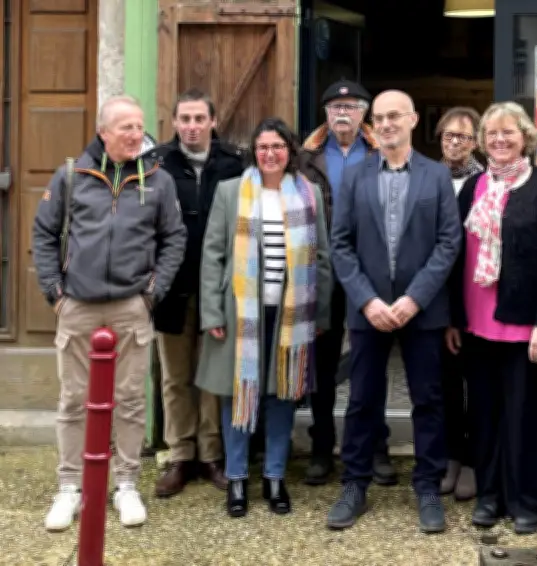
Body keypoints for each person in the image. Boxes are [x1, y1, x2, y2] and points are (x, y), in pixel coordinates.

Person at [33, 95, 187, 530]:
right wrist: (55, 294)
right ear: (104, 132)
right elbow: (44, 233)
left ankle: (126, 485)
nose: (137, 134)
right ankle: (70, 488)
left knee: (131, 401)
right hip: (78, 307)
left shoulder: (157, 179)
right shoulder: (71, 175)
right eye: (127, 128)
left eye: (139, 126)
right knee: (73, 400)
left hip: (131, 307)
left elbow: (174, 238)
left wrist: (151, 293)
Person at [327, 90, 461, 533]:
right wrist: (367, 299)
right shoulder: (355, 176)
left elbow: (448, 242)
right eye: (378, 118)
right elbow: (340, 244)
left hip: (420, 310)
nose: (385, 124)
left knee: (428, 399)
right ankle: (355, 484)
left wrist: (413, 298)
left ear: (412, 120)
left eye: (393, 117)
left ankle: (426, 485)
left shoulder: (436, 176)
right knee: (363, 399)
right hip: (368, 309)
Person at [195, 117, 332, 518]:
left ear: (290, 151)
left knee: (281, 397)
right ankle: (237, 478)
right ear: (253, 151)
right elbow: (213, 254)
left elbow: (321, 258)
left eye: (278, 146)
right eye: (263, 146)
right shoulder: (231, 192)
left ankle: (274, 477)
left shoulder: (308, 194)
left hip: (292, 313)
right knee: (238, 393)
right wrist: (211, 312)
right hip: (240, 312)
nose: (270, 153)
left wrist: (320, 311)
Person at [448, 102, 537, 534]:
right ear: (482, 141)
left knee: (524, 417)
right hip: (476, 322)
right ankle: (490, 496)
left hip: (524, 325)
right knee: (484, 415)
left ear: (526, 138)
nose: (499, 141)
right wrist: (453, 319)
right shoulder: (475, 187)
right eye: (491, 134)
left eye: (509, 133)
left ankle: (528, 502)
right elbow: (458, 254)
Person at [300, 80, 398, 487]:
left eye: (352, 106)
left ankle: (376, 446)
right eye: (336, 106)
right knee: (322, 364)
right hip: (320, 267)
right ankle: (322, 447)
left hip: (367, 269)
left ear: (365, 114)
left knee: (369, 361)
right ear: (325, 114)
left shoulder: (382, 154)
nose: (343, 113)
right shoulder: (306, 159)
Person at [150, 88, 246, 498]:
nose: (191, 127)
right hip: (171, 288)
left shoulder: (233, 165)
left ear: (212, 122)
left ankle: (211, 454)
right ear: (174, 124)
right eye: (184, 119)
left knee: (212, 376)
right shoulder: (156, 166)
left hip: (220, 289)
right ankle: (179, 454)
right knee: (175, 377)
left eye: (198, 119)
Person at [435, 106, 483, 500]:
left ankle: (472, 459)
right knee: (446, 384)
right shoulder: (427, 176)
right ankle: (451, 454)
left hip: (474, 296)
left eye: (463, 137)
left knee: (476, 383)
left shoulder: (485, 181)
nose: (455, 143)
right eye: (448, 136)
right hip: (436, 298)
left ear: (476, 142)